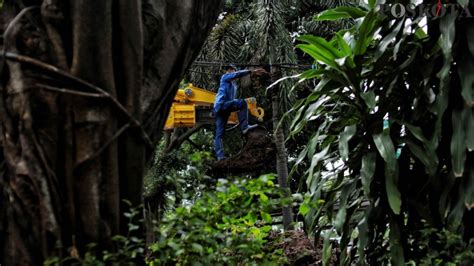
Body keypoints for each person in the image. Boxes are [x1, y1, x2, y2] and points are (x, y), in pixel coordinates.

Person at [213, 64, 266, 161]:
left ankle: (220, 157)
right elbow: (236, 75)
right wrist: (250, 71)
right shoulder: (225, 77)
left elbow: (233, 101)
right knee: (243, 103)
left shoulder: (234, 86)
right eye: (228, 69)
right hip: (221, 105)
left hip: (223, 110)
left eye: (231, 69)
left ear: (234, 70)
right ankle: (245, 127)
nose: (229, 71)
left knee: (219, 134)